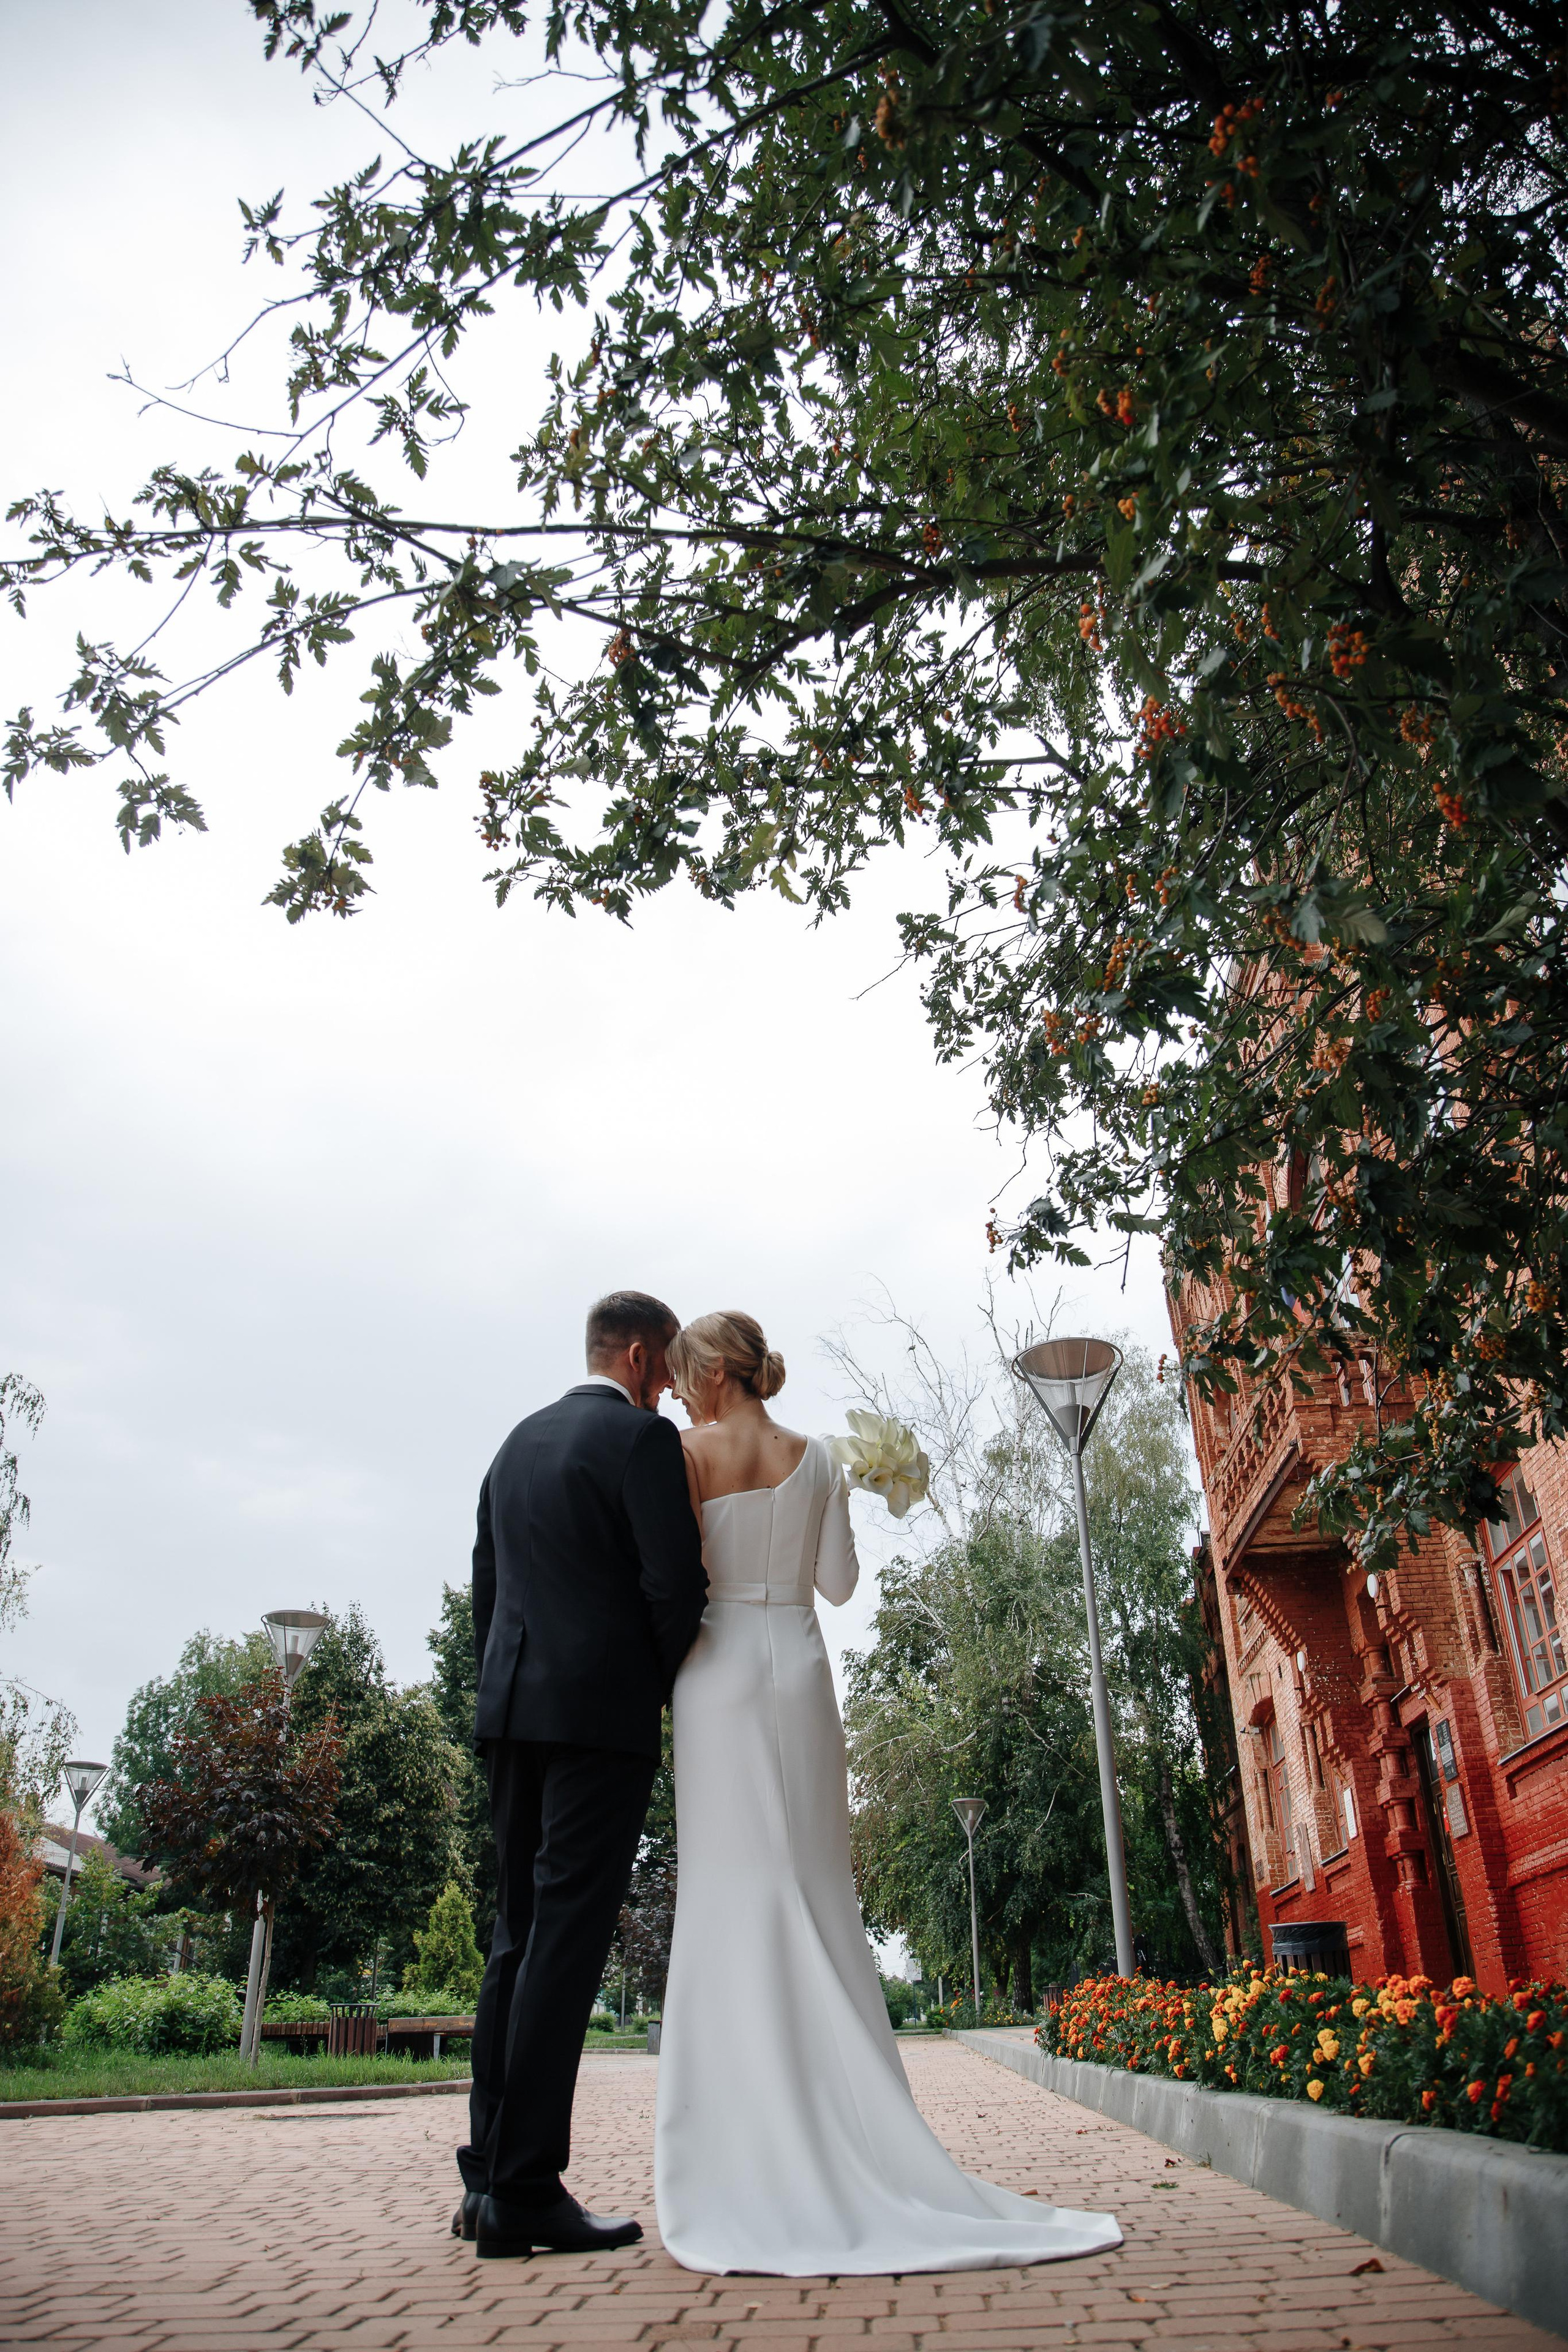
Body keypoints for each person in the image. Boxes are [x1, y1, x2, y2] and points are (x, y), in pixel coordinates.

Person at [654, 1310, 1121, 2275]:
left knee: (730, 1893)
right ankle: (852, 2119)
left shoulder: (684, 1452)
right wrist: (839, 1505)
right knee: (819, 1887)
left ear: (706, 1373)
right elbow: (837, 1586)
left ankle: (743, 2139)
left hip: (714, 1673)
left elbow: (679, 1576)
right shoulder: (822, 1456)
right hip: (798, 1669)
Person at [457, 1289, 709, 2261]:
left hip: (512, 1715)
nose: (667, 1387)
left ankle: (485, 2179)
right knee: (566, 1939)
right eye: (666, 1366)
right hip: (597, 1722)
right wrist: (642, 1686)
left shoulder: (513, 1443)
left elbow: (489, 1588)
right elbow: (675, 1585)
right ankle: (523, 2191)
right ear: (641, 1356)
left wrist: (502, 1698)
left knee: (515, 1935)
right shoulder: (638, 1444)